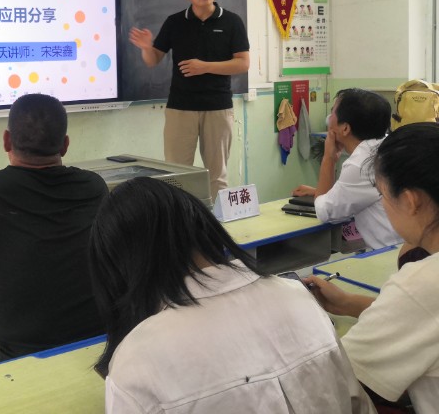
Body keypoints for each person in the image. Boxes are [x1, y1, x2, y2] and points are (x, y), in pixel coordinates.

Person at [88, 177, 373, 413]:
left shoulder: (136, 361)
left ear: (120, 268)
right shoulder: (300, 298)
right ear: (203, 226)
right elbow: (359, 405)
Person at [0, 93, 107, 414]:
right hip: (98, 358)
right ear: (65, 145)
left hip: (25, 366)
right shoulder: (94, 187)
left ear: (6, 140)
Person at [304, 123, 439, 412]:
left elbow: (338, 376)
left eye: (382, 194)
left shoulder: (422, 281)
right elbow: (423, 317)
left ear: (410, 201)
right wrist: (349, 303)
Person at [129, 0, 250, 200]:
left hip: (218, 108)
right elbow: (153, 60)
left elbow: (243, 63)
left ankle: (215, 221)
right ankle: (180, 220)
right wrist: (146, 47)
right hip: (180, 108)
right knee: (175, 174)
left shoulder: (232, 21)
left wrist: (205, 67)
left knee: (217, 176)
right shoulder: (174, 22)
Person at [293, 88, 401, 249]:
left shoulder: (361, 164)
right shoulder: (388, 145)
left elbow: (325, 212)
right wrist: (318, 192)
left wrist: (328, 159)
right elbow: (361, 192)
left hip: (394, 254)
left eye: (332, 112)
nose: (329, 118)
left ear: (345, 128)